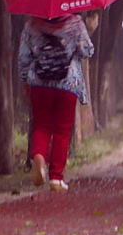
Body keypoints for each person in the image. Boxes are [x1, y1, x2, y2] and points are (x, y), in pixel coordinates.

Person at [18, 13, 94, 191]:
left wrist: (24, 82)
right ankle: (56, 177)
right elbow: (87, 51)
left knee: (42, 126)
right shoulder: (75, 23)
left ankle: (39, 156)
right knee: (62, 130)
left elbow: (23, 58)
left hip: (39, 83)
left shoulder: (31, 25)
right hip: (68, 83)